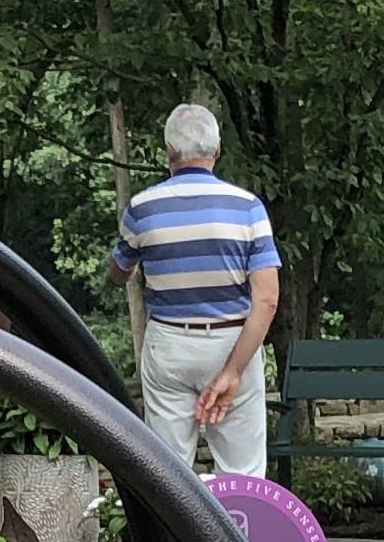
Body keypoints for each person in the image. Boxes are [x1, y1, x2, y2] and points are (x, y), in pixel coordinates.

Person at [112, 103, 279, 474]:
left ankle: (171, 533)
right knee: (243, 471)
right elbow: (267, 299)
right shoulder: (248, 208)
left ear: (169, 151)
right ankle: (240, 532)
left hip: (169, 344)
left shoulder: (141, 208)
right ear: (217, 149)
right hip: (234, 341)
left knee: (169, 472)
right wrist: (233, 371)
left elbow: (119, 272)